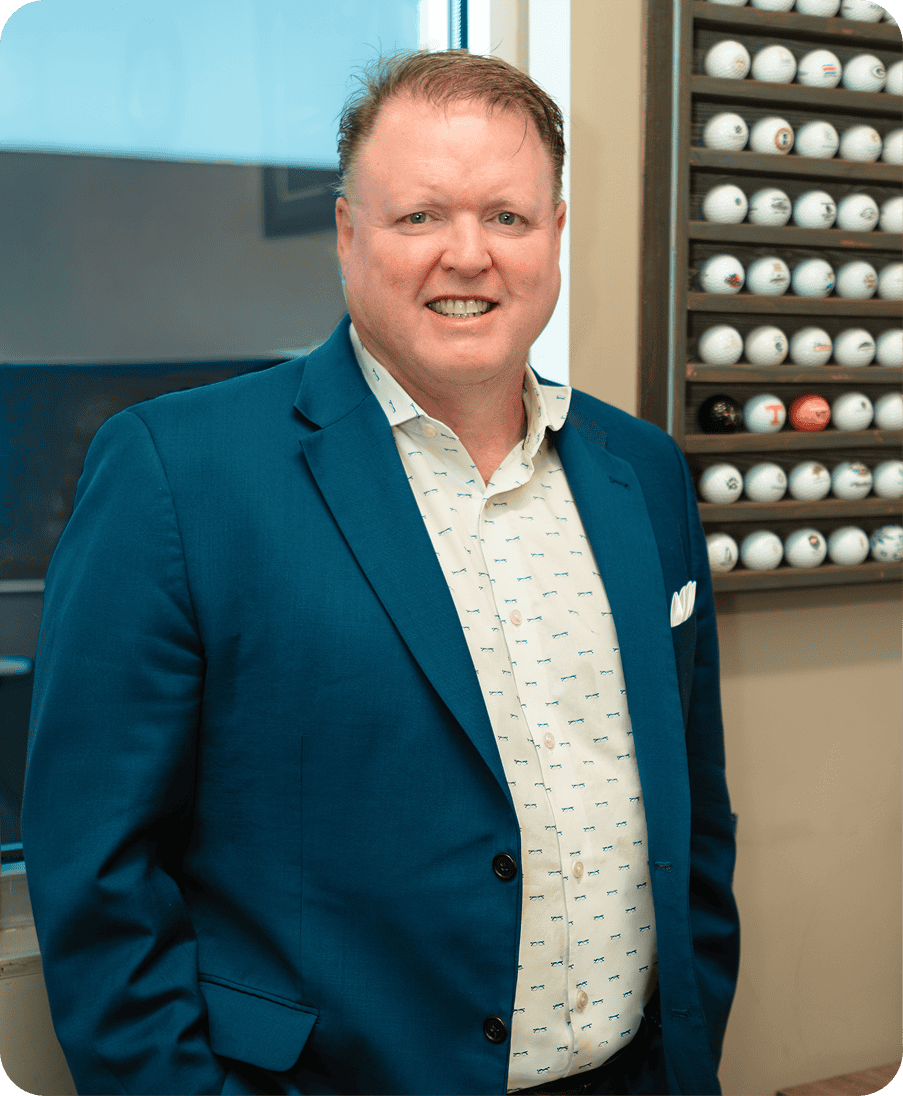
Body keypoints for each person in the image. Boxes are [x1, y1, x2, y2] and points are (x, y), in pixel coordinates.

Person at [22, 49, 739, 1096]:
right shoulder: (179, 473)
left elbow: (697, 811)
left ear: (555, 234)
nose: (469, 255)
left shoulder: (644, 471)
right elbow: (96, 871)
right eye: (420, 217)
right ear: (349, 234)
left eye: (507, 217)